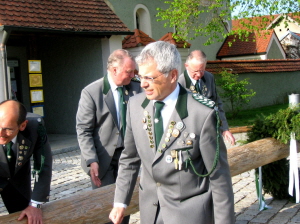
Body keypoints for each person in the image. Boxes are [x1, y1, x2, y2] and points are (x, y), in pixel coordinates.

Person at [109, 41, 235, 224]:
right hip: (151, 213)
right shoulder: (135, 106)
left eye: (150, 78)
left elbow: (219, 177)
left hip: (190, 215)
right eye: (140, 76)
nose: (142, 84)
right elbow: (129, 158)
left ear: (173, 75)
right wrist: (120, 202)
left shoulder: (202, 114)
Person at [76, 49, 142, 223]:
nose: (133, 75)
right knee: (105, 207)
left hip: (127, 156)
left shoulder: (136, 88)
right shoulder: (91, 92)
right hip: (102, 158)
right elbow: (83, 129)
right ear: (114, 70)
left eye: (134, 71)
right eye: (129, 71)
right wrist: (91, 159)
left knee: (123, 204)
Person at [0, 100, 52, 224]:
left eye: (7, 129)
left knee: (26, 219)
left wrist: (35, 205)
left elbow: (43, 165)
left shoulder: (35, 127)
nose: (0, 134)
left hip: (18, 180)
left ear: (23, 125)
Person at [178, 50, 236, 146]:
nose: (199, 74)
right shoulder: (179, 84)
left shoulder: (209, 77)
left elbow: (217, 104)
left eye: (202, 70)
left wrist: (224, 129)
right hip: (190, 136)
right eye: (195, 71)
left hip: (210, 132)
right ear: (186, 66)